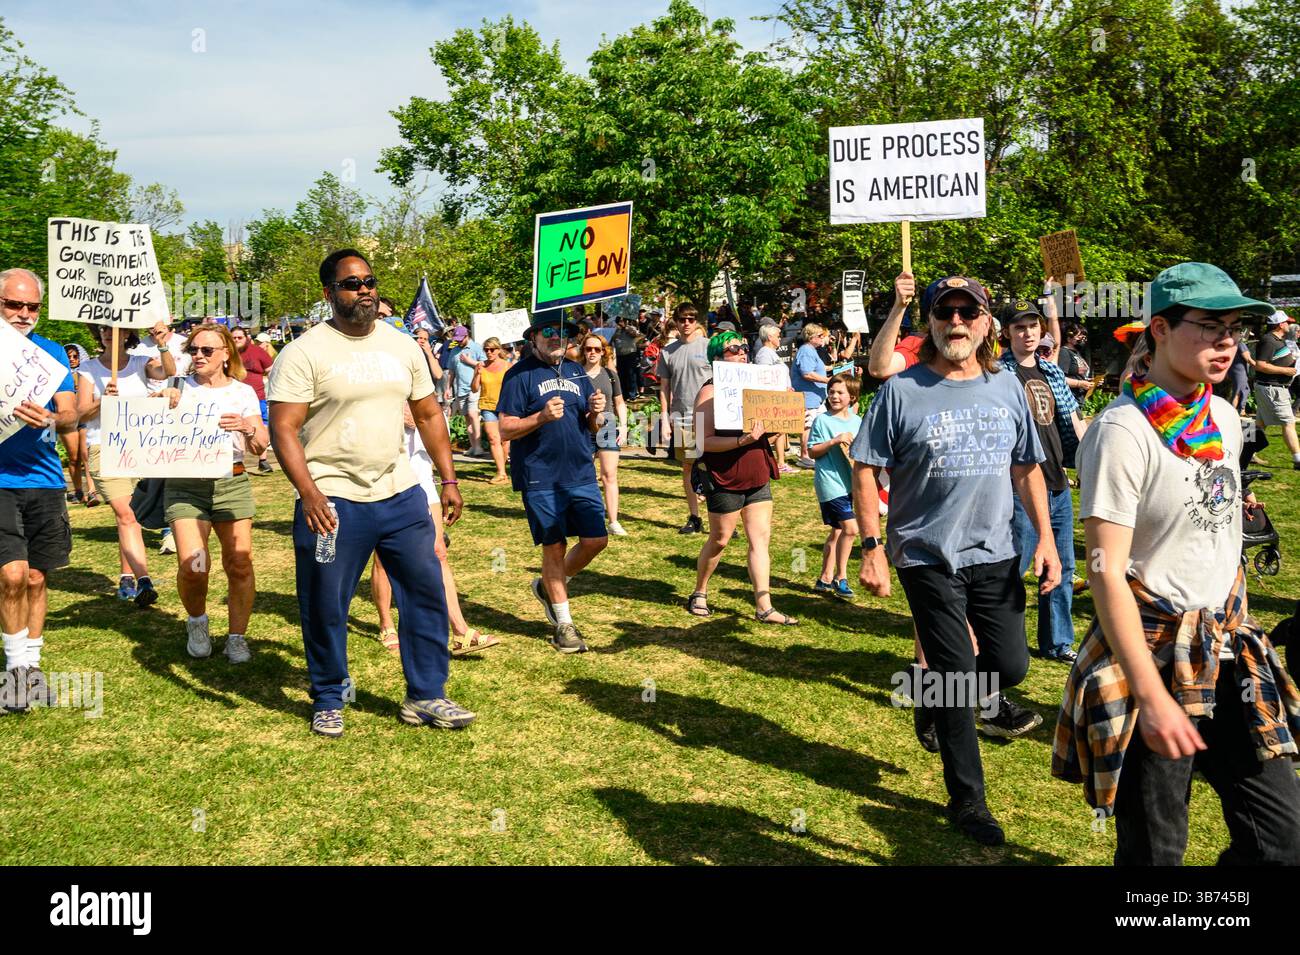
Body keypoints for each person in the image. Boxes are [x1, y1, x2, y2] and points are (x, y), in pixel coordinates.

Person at [1054, 262, 1300, 865]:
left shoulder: (1220, 418)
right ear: (1159, 329)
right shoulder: (1122, 431)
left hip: (1229, 654)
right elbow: (1108, 569)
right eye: (1210, 327)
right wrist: (1150, 693)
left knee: (1284, 842)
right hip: (1156, 659)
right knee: (1156, 853)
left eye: (1236, 329)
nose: (1228, 343)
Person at [853, 275, 1061, 846]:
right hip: (927, 556)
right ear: (930, 323)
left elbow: (1026, 466)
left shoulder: (1007, 388)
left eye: (969, 312)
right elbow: (866, 467)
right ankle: (969, 801)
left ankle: (932, 699)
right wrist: (871, 549)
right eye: (945, 312)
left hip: (996, 553)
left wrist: (1045, 538)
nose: (957, 321)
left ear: (987, 323)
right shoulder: (901, 390)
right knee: (957, 676)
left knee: (1012, 667)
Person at [267, 248, 473, 738]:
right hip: (333, 501)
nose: (364, 290)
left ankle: (426, 695)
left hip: (401, 494)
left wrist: (447, 478)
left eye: (369, 282)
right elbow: (283, 430)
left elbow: (427, 414)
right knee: (326, 601)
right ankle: (328, 696)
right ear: (328, 294)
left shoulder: (401, 346)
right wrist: (310, 493)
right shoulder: (303, 352)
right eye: (351, 284)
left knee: (424, 593)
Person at [153, 325, 267, 662]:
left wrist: (247, 427)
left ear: (226, 355)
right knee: (194, 564)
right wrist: (156, 406)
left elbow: (260, 443)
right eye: (194, 350)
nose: (198, 356)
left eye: (207, 350)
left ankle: (236, 637)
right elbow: (145, 427)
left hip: (231, 481)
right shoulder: (176, 388)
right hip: (186, 486)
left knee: (240, 563)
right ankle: (197, 621)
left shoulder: (242, 393)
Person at [496, 310, 608, 653]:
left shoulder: (575, 371)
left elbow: (590, 425)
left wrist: (596, 414)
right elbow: (504, 428)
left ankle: (549, 585)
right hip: (540, 476)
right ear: (534, 338)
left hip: (580, 471)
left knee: (595, 540)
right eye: (547, 331)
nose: (555, 336)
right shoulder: (519, 375)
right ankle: (564, 623)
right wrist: (541, 417)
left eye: (561, 331)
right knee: (555, 546)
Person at [0, 268, 77, 712]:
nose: (24, 313)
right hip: (1, 483)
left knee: (35, 576)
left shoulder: (49, 356)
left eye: (32, 306)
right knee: (10, 574)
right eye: (14, 304)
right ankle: (14, 670)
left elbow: (69, 414)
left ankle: (31, 667)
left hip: (45, 480)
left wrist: (51, 418)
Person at [685, 331, 795, 624]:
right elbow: (701, 442)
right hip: (724, 475)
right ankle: (700, 591)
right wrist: (741, 441)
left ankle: (764, 606)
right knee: (720, 539)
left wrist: (780, 421)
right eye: (734, 349)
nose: (743, 352)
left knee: (760, 540)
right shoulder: (708, 392)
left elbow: (769, 434)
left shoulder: (757, 388)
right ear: (718, 358)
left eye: (744, 347)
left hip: (757, 470)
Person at [999, 299, 1087, 663]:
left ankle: (1057, 642)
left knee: (1062, 566)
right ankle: (1006, 639)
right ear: (1007, 333)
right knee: (1015, 567)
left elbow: (1074, 419)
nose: (1028, 333)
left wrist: (1085, 461)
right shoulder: (996, 375)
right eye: (1020, 327)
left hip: (1057, 482)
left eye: (1033, 326)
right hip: (1018, 488)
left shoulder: (1051, 372)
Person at [77, 322, 175, 606]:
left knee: (131, 517)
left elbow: (168, 372)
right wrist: (102, 401)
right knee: (127, 514)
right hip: (104, 448)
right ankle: (145, 580)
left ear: (129, 334)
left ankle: (126, 576)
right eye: (104, 329)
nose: (110, 333)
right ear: (99, 334)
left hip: (141, 445)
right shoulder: (88, 369)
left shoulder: (142, 362)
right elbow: (81, 415)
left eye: (117, 329)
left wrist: (162, 343)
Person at [657, 304, 711, 533]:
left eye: (691, 318)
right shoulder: (668, 352)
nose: (686, 323)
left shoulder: (709, 347)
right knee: (688, 468)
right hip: (682, 417)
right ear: (675, 322)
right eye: (682, 319)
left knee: (714, 469)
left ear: (696, 320)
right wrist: (664, 417)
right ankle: (694, 517)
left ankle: (721, 516)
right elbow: (664, 388)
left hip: (710, 417)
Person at [808, 373, 862, 599]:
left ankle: (824, 577)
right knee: (851, 529)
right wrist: (833, 441)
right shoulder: (822, 420)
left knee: (837, 531)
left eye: (840, 392)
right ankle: (842, 577)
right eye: (831, 392)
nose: (834, 396)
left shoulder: (858, 422)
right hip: (830, 484)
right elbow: (811, 451)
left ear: (852, 396)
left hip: (852, 484)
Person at [581, 334, 628, 536]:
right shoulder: (574, 374)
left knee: (609, 475)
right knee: (585, 476)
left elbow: (619, 402)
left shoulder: (610, 374)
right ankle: (589, 518)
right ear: (583, 350)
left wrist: (624, 426)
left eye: (597, 349)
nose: (592, 352)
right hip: (582, 429)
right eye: (588, 348)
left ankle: (614, 521)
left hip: (608, 428)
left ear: (603, 352)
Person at [1251, 310, 1300, 469]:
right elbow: (1260, 365)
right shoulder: (1268, 341)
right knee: (1288, 423)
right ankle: (1298, 460)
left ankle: (1245, 452)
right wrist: (1285, 371)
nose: (1289, 325)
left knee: (1259, 423)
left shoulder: (1276, 340)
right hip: (1272, 389)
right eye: (1287, 322)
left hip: (1272, 388)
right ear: (1280, 324)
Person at [229, 325, 275, 476]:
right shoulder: (226, 353)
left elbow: (270, 370)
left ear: (246, 338)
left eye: (239, 337)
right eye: (234, 337)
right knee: (237, 429)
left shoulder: (257, 351)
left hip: (257, 397)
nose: (236, 340)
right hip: (233, 398)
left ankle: (263, 461)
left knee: (260, 427)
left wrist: (273, 390)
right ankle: (239, 461)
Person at [753, 324, 795, 474]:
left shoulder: (772, 353)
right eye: (778, 336)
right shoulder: (764, 354)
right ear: (770, 337)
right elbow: (764, 376)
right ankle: (763, 460)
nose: (780, 338)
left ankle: (780, 462)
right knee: (775, 431)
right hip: (772, 398)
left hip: (781, 396)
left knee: (781, 429)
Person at [473, 337, 511, 485]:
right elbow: (474, 388)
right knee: (493, 438)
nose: (489, 352)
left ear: (499, 349)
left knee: (505, 440)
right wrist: (477, 373)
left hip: (505, 406)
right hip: (487, 406)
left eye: (492, 349)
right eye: (486, 350)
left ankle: (503, 470)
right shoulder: (481, 366)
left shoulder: (508, 366)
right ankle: (501, 472)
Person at [791, 324, 830, 468]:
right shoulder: (806, 350)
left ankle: (814, 453)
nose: (823, 338)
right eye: (820, 336)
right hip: (808, 397)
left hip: (816, 398)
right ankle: (805, 456)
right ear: (811, 337)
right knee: (808, 426)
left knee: (819, 424)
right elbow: (806, 373)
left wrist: (830, 369)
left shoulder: (811, 350)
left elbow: (815, 368)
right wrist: (827, 380)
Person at [444, 324, 486, 457]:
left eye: (461, 339)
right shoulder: (454, 350)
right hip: (460, 389)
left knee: (474, 415)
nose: (458, 341)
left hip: (474, 387)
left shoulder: (476, 348)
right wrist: (447, 388)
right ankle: (473, 447)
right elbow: (451, 372)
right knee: (467, 418)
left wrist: (470, 361)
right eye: (456, 339)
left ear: (467, 336)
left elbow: (485, 365)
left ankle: (479, 446)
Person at [58, 344, 89, 505]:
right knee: (74, 457)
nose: (71, 359)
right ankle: (78, 491)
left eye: (75, 356)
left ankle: (93, 491)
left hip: (86, 419)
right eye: (68, 356)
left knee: (87, 456)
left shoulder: (89, 373)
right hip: (68, 421)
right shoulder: (60, 375)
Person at [611, 315, 642, 401]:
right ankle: (624, 395)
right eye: (619, 321)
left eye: (622, 321)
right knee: (622, 375)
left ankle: (633, 394)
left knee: (631, 375)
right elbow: (612, 339)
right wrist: (617, 331)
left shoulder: (630, 328)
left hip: (630, 354)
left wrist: (628, 329)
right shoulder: (616, 331)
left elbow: (638, 335)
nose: (621, 323)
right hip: (620, 355)